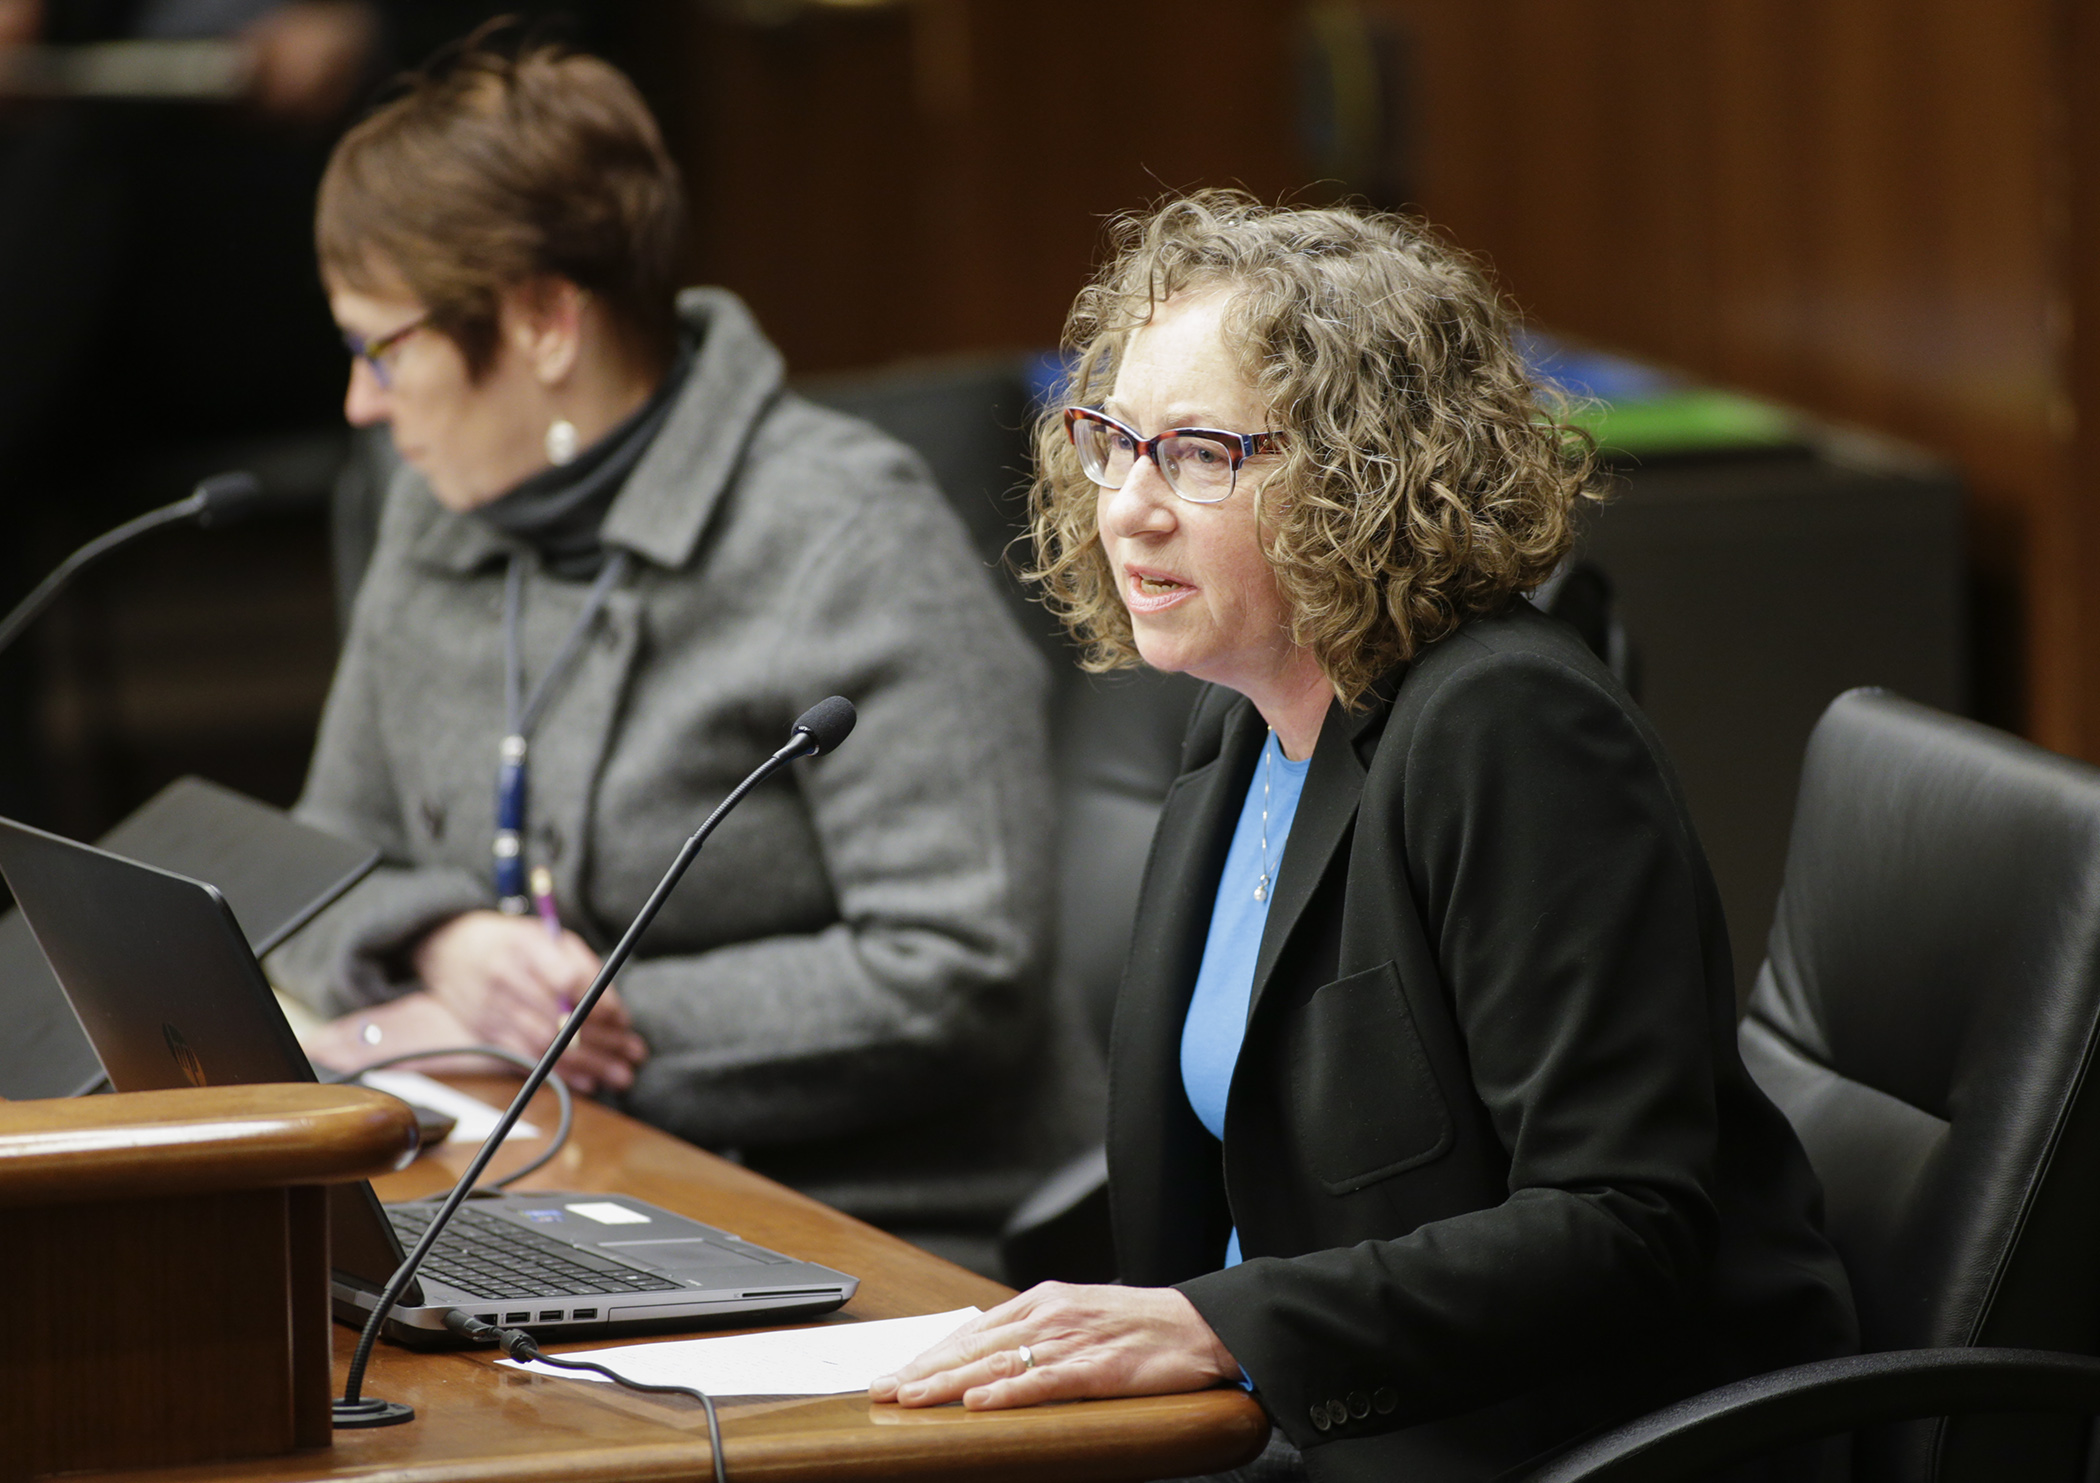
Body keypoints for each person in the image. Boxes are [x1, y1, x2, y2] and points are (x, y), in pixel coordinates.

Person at [872, 193, 1857, 1480]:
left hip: (1525, 1445)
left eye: (1200, 455)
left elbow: (1621, 1224)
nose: (1128, 506)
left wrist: (1215, 1330)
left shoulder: (1511, 729)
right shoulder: (1244, 718)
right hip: (1267, 1434)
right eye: (1112, 439)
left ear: (1363, 474)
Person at [266, 37, 1067, 1236]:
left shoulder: (847, 533)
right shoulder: (432, 511)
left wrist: (569, 1026)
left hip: (850, 1219)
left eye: (385, 349)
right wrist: (441, 943)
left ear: (542, 322)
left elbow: (959, 963)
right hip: (535, 1181)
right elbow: (320, 863)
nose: (361, 404)